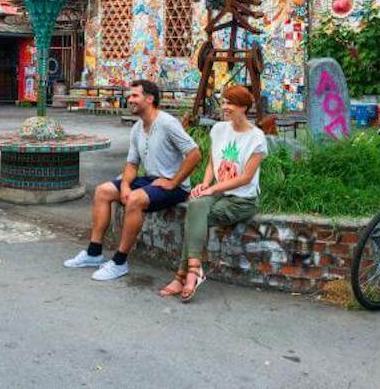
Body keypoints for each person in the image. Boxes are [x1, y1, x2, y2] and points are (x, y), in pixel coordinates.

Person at [63, 79, 200, 281]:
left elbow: (195, 153)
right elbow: (132, 164)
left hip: (174, 187)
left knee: (135, 199)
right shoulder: (137, 127)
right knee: (103, 191)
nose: (130, 99)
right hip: (151, 180)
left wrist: (173, 182)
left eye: (135, 95)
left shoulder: (167, 123)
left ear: (150, 99)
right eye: (129, 96)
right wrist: (125, 185)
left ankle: (119, 262)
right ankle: (94, 252)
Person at [159, 85, 266, 301]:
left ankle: (183, 275)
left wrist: (212, 188)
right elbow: (212, 162)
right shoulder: (218, 129)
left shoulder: (257, 138)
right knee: (196, 204)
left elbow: (245, 178)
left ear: (244, 108)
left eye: (230, 103)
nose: (224, 107)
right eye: (224, 102)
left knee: (196, 216)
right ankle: (193, 272)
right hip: (219, 191)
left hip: (242, 199)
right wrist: (204, 184)